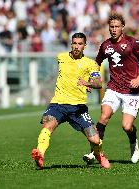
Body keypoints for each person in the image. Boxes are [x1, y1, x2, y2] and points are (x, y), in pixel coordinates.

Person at [31, 32, 111, 169]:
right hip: (58, 104)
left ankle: (100, 155)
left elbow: (98, 84)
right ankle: (40, 154)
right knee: (47, 125)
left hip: (78, 107)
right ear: (71, 44)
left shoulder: (90, 64)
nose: (76, 46)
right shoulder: (61, 57)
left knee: (95, 140)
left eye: (80, 44)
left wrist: (87, 83)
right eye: (74, 43)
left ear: (84, 46)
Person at [83, 13, 139, 164]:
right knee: (103, 117)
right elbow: (97, 63)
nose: (113, 29)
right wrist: (91, 80)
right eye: (111, 27)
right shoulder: (105, 45)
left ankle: (134, 143)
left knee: (127, 126)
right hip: (113, 88)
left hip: (131, 92)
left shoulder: (133, 42)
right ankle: (94, 152)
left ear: (122, 27)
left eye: (116, 26)